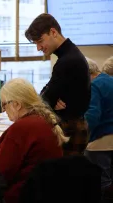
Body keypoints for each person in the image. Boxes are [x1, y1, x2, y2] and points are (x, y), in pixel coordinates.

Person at [0, 78, 67, 203]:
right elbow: (15, 154)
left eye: (4, 104)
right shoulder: (42, 120)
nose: (3, 109)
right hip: (45, 193)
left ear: (17, 104)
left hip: (21, 195)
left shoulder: (22, 128)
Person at [25, 13, 91, 156]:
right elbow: (48, 93)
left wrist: (50, 100)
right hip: (74, 126)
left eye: (40, 41)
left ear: (53, 32)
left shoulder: (67, 61)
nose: (38, 48)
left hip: (70, 130)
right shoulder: (69, 55)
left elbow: (45, 100)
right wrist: (50, 99)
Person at [83, 57, 113, 199]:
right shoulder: (110, 80)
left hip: (100, 142)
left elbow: (92, 116)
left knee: (101, 182)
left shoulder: (94, 86)